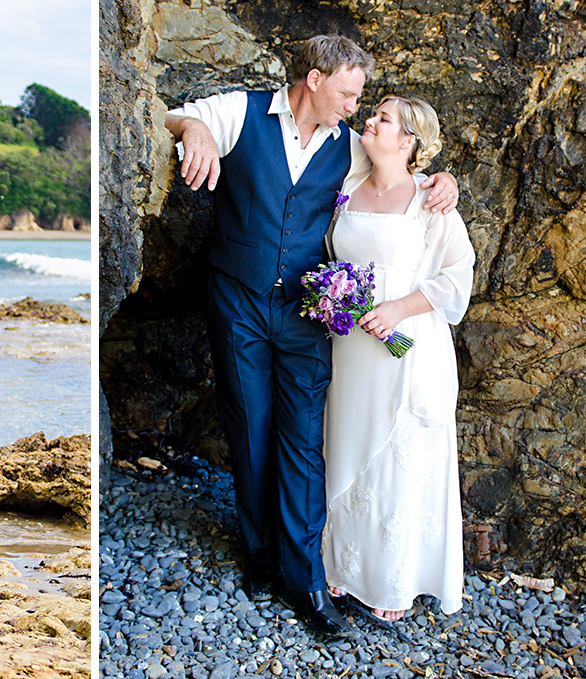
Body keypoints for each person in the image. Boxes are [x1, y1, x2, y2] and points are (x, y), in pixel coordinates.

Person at [164, 34, 459, 637]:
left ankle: (306, 580)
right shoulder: (243, 112)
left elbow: (402, 168)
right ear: (316, 78)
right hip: (237, 300)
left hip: (305, 313)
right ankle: (260, 553)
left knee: (302, 439)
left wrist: (444, 179)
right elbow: (174, 113)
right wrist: (192, 130)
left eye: (361, 99)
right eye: (348, 93)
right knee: (248, 427)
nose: (355, 106)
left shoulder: (352, 149)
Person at [321, 96, 474, 621]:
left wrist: (398, 309)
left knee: (399, 453)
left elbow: (458, 275)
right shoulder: (347, 183)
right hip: (351, 344)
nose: (370, 121)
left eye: (383, 119)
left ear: (408, 141)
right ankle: (341, 564)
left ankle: (393, 579)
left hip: (406, 343)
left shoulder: (430, 199)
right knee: (347, 441)